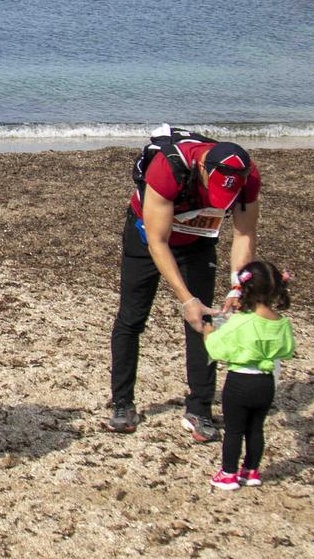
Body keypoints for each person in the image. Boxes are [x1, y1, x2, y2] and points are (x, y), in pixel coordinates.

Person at [107, 130, 261, 441]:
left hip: (198, 241)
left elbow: (244, 235)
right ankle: (122, 403)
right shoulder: (168, 168)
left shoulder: (248, 176)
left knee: (205, 321)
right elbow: (158, 241)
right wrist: (185, 299)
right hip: (147, 237)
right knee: (132, 317)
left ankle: (199, 409)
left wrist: (236, 287)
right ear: (203, 169)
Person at [204, 261, 296, 489]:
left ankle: (228, 474)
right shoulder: (281, 323)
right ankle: (251, 471)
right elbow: (287, 350)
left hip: (240, 381)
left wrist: (208, 332)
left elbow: (216, 349)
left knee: (234, 431)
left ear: (245, 289)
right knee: (256, 429)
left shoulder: (240, 322)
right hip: (265, 382)